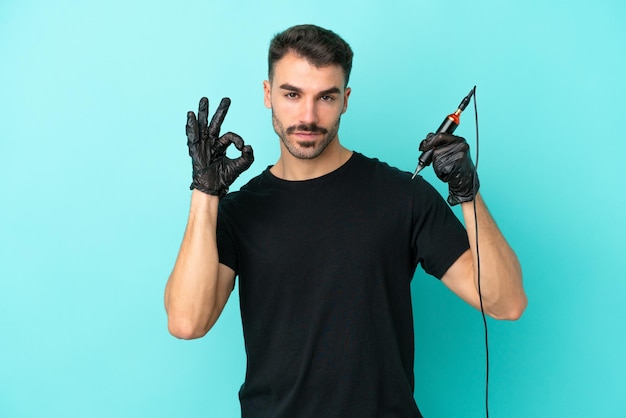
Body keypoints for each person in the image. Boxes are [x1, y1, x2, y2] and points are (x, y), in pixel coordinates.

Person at [164, 24, 527, 418]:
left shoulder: (403, 195)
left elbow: (505, 303)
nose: (308, 115)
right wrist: (205, 192)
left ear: (345, 100)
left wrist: (467, 192)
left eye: (325, 97)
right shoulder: (239, 210)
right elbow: (186, 322)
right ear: (268, 95)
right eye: (292, 94)